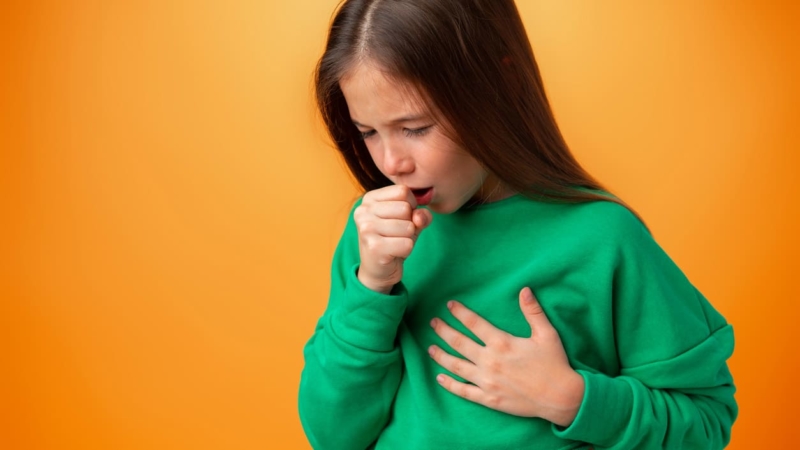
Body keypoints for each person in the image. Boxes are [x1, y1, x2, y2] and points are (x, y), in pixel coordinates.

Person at [297, 0, 738, 448]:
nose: (392, 163)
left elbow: (705, 424)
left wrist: (571, 399)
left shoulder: (604, 239)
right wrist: (372, 288)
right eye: (368, 132)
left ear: (497, 84)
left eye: (415, 127)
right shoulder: (374, 240)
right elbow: (332, 435)